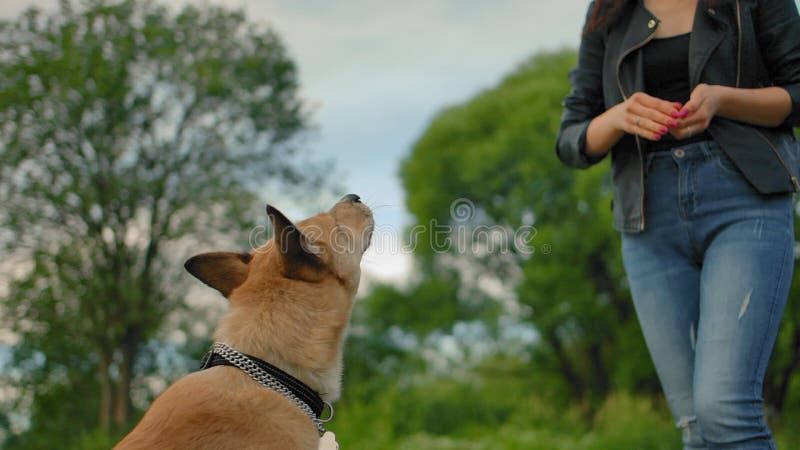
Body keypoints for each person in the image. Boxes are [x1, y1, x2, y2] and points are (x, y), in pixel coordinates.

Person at [556, 0, 800, 449]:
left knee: (724, 411)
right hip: (648, 218)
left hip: (745, 200)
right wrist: (617, 117)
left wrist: (722, 99)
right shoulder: (608, 11)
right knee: (695, 428)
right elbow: (571, 138)